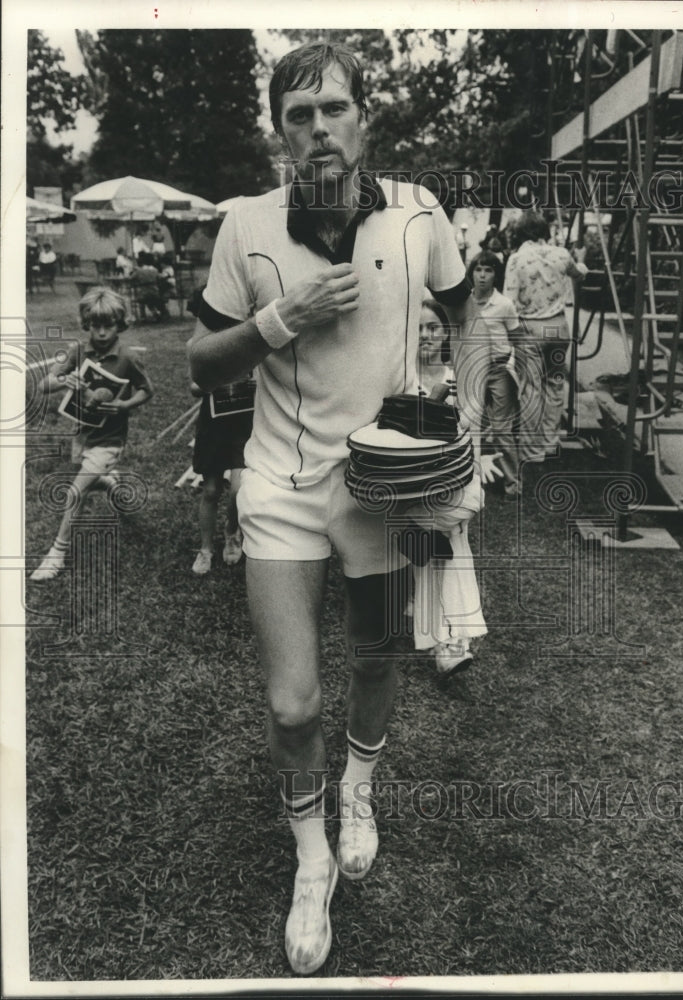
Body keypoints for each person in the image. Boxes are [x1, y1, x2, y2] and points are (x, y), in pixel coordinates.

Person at [187, 41, 491, 977]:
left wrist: (469, 416)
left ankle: (357, 791)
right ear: (279, 131)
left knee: (376, 656)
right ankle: (310, 857)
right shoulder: (245, 225)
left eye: (333, 109)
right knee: (291, 702)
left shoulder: (418, 214)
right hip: (278, 481)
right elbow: (201, 365)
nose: (317, 129)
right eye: (297, 115)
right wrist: (284, 319)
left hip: (384, 482)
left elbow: (467, 314)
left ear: (364, 118)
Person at [30, 287, 153, 582]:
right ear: (86, 323)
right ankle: (110, 482)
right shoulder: (78, 352)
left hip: (110, 440)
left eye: (107, 325)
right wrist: (62, 380)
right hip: (83, 435)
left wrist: (124, 404)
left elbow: (147, 390)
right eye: (95, 325)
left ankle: (56, 554)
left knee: (75, 492)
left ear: (120, 323)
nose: (100, 332)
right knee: (88, 483)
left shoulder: (127, 358)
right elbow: (44, 384)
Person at [409, 297, 487, 674]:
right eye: (418, 328)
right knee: (442, 542)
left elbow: (473, 446)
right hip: (407, 488)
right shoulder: (400, 380)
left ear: (445, 334)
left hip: (453, 484)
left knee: (448, 539)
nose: (425, 335)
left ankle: (446, 640)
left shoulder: (459, 381)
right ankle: (453, 639)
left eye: (433, 328)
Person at [503, 208, 588, 464]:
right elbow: (580, 273)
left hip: (531, 329)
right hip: (558, 328)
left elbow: (509, 301)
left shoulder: (517, 259)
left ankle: (532, 451)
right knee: (555, 385)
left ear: (520, 233)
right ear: (544, 232)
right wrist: (581, 259)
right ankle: (551, 443)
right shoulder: (561, 254)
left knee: (531, 389)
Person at [467, 250, 524, 496]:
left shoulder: (504, 304)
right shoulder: (464, 301)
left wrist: (519, 374)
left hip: (498, 370)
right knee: (465, 424)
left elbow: (518, 340)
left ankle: (513, 481)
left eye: (488, 270)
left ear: (496, 275)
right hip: (470, 369)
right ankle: (464, 476)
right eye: (478, 270)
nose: (482, 276)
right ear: (471, 273)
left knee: (501, 428)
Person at [189, 377, 254, 575]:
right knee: (210, 491)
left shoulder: (251, 348)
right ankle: (206, 549)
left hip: (244, 424)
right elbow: (194, 387)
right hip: (213, 426)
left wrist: (256, 385)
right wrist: (215, 383)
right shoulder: (203, 346)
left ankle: (232, 530)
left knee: (238, 489)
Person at [131, 252, 168, 321]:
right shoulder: (155, 270)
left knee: (142, 299)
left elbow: (131, 278)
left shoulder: (139, 271)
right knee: (153, 298)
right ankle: (157, 312)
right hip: (154, 292)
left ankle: (143, 316)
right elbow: (160, 278)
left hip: (143, 293)